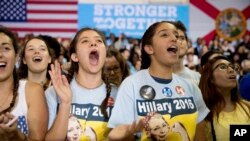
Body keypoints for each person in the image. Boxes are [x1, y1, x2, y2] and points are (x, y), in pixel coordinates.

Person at [107, 21, 209, 141]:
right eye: (165, 35)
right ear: (150, 48)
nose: (174, 39)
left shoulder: (190, 87)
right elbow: (120, 134)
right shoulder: (131, 85)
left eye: (176, 36)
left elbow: (200, 133)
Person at [45, 27, 118, 140]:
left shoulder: (118, 94)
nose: (93, 43)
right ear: (75, 56)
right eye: (85, 41)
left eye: (99, 41)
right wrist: (65, 104)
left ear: (104, 54)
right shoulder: (54, 92)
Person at [0, 27, 48, 140]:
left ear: (16, 56)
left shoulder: (32, 91)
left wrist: (17, 136)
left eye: (6, 48)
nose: (0, 54)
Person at [199, 55, 250, 141]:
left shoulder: (248, 107)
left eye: (232, 67)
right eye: (222, 67)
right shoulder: (203, 117)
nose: (231, 70)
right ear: (210, 78)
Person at [172, 21, 201, 85]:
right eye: (175, 38)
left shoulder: (198, 78)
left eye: (182, 38)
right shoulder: (148, 77)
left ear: (188, 44)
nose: (179, 42)